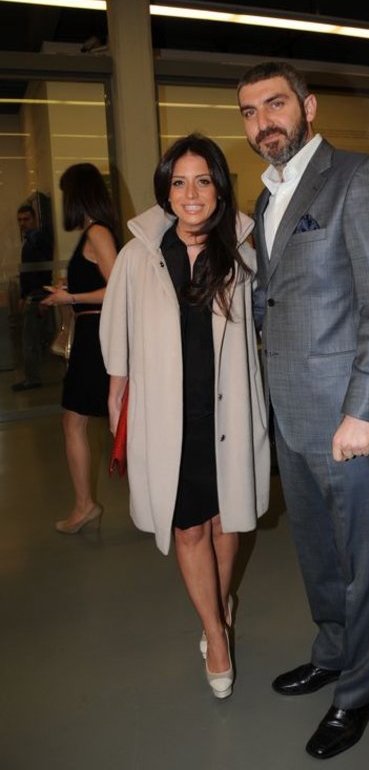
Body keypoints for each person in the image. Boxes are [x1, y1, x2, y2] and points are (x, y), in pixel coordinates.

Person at [237, 61, 369, 759]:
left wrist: (363, 411)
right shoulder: (266, 197)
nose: (263, 122)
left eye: (275, 104)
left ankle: (358, 693)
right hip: (292, 412)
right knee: (316, 551)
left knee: (362, 562)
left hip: (348, 419)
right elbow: (272, 299)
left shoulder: (360, 179)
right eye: (249, 112)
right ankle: (333, 652)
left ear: (307, 107)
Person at [99, 134, 269, 701]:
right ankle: (215, 634)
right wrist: (116, 398)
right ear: (165, 191)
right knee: (188, 526)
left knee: (226, 522)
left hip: (228, 409)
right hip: (167, 417)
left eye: (202, 180)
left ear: (219, 188)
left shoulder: (242, 251)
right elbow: (117, 336)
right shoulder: (139, 254)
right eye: (178, 182)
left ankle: (218, 602)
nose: (190, 193)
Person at [43, 163, 119, 533]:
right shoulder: (94, 232)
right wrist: (69, 289)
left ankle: (85, 505)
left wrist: (70, 296)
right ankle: (84, 504)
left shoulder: (97, 232)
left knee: (82, 419)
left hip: (97, 338)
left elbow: (118, 287)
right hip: (93, 336)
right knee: (81, 419)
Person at [11, 201, 54, 391]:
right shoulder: (29, 240)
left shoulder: (37, 239)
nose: (23, 223)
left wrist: (40, 296)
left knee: (30, 340)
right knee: (35, 338)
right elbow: (27, 272)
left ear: (34, 219)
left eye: (26, 219)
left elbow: (41, 271)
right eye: (20, 220)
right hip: (35, 293)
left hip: (38, 294)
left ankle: (32, 378)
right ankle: (34, 376)